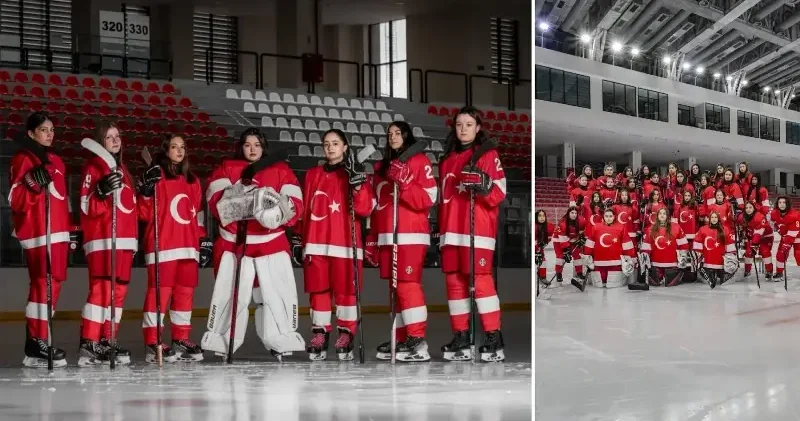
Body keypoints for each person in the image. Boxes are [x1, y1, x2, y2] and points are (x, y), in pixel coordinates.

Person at [202, 128, 306, 359]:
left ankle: (281, 337)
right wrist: (247, 202)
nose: (252, 149)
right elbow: (217, 204)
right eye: (248, 145)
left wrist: (278, 212)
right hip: (234, 244)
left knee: (275, 294)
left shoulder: (281, 170)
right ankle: (223, 339)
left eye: (257, 145)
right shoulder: (227, 168)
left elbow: (297, 203)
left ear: (263, 147)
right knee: (231, 295)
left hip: (272, 243)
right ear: (241, 146)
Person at [298, 129, 375, 361]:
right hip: (316, 242)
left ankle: (346, 333)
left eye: (335, 143)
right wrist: (300, 238)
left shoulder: (357, 172)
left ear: (345, 147)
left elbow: (365, 209)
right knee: (318, 291)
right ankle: (320, 333)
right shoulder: (312, 174)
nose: (330, 147)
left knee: (346, 292)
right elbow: (307, 208)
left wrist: (359, 185)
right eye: (326, 143)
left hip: (345, 242)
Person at [438, 106, 506, 363]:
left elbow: (500, 192)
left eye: (468, 124)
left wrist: (485, 184)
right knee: (454, 283)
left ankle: (493, 335)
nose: (463, 128)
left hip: (477, 229)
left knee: (482, 281)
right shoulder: (446, 159)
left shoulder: (488, 155)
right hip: (450, 230)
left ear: (478, 128)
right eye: (459, 124)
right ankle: (461, 336)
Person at [365, 121, 435, 362]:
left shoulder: (419, 161)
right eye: (389, 133)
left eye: (398, 133)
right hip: (387, 234)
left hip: (411, 234)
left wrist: (405, 182)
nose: (393, 136)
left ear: (407, 135)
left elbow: (428, 198)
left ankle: (417, 340)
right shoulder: (383, 168)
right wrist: (373, 238)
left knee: (408, 284)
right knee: (396, 290)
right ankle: (402, 338)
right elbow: (377, 206)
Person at [137, 134, 207, 363]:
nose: (179, 151)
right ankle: (152, 341)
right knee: (159, 295)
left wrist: (202, 240)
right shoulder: (155, 176)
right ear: (165, 150)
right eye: (174, 147)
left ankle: (180, 338)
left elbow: (196, 213)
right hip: (163, 245)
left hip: (188, 246)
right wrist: (146, 191)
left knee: (185, 294)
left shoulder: (193, 180)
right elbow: (144, 214)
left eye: (182, 147)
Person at [9, 112, 70, 368]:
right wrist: (32, 182)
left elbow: (62, 199)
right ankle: (36, 341)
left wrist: (71, 228)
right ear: (32, 133)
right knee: (42, 284)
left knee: (53, 284)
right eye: (44, 129)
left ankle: (40, 340)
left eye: (52, 129)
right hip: (38, 231)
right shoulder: (24, 158)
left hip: (58, 231)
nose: (49, 133)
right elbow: (14, 197)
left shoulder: (56, 160)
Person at [77, 122, 136, 366]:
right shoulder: (93, 166)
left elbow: (132, 206)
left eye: (117, 136)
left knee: (119, 291)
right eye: (109, 136)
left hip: (124, 239)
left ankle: (107, 339)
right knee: (102, 290)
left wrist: (145, 190)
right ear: (101, 141)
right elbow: (85, 205)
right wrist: (100, 192)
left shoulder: (123, 169)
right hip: (103, 238)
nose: (115, 140)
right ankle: (89, 343)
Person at [582, 208, 636, 288]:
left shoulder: (621, 228)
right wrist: (587, 255)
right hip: (599, 262)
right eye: (606, 216)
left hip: (615, 263)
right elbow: (590, 243)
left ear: (614, 217)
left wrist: (629, 257)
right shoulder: (596, 228)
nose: (608, 218)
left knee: (613, 286)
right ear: (603, 217)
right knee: (600, 285)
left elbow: (626, 244)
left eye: (610, 216)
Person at [640, 208, 689, 287]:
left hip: (672, 265)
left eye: (664, 214)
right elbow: (646, 248)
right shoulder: (650, 229)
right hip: (655, 265)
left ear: (667, 216)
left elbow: (683, 245)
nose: (662, 215)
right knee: (655, 283)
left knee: (671, 283)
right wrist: (645, 263)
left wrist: (682, 262)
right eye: (660, 214)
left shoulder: (676, 227)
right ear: (657, 216)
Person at [693, 211, 736, 288]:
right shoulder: (703, 229)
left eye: (715, 217)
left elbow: (730, 245)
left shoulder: (725, 229)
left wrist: (731, 259)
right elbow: (697, 243)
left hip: (721, 261)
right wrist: (699, 257)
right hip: (708, 261)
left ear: (718, 219)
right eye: (712, 217)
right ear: (709, 219)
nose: (714, 219)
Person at [738, 202, 773, 281]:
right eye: (746, 208)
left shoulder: (759, 216)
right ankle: (747, 270)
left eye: (750, 207)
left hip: (765, 237)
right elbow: (745, 230)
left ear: (754, 208)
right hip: (753, 238)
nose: (748, 209)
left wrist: (754, 245)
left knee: (765, 252)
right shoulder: (744, 217)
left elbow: (758, 233)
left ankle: (769, 271)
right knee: (748, 252)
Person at [553, 207, 585, 286]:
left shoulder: (581, 221)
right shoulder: (562, 223)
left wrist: (581, 238)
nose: (574, 215)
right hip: (558, 240)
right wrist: (566, 251)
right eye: (572, 213)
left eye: (575, 213)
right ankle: (559, 274)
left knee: (577, 255)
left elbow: (583, 231)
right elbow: (562, 238)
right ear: (568, 213)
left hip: (572, 239)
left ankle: (579, 273)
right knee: (560, 257)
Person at [770, 196, 800, 280]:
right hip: (785, 237)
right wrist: (779, 230)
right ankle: (779, 272)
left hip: (797, 237)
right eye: (780, 202)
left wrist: (786, 245)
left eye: (784, 202)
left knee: (798, 255)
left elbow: (792, 234)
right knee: (780, 254)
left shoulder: (794, 215)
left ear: (788, 204)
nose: (782, 204)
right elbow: (774, 223)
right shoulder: (774, 213)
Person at [534, 210, 553, 285]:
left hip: (539, 248)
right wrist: (536, 251)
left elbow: (548, 238)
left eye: (543, 215)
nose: (542, 217)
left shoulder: (548, 227)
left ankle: (542, 277)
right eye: (539, 215)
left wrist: (543, 244)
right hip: (533, 248)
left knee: (543, 261)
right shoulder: (534, 227)